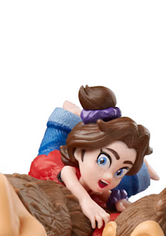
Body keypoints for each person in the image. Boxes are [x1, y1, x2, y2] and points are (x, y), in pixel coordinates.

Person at [29, 85, 159, 228]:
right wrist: (86, 202)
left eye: (119, 172)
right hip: (48, 169)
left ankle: (138, 167)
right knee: (55, 138)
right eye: (103, 161)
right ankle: (73, 114)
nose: (109, 176)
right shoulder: (68, 171)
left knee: (127, 180)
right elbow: (70, 179)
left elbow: (104, 194)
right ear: (80, 152)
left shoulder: (98, 184)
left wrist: (118, 201)